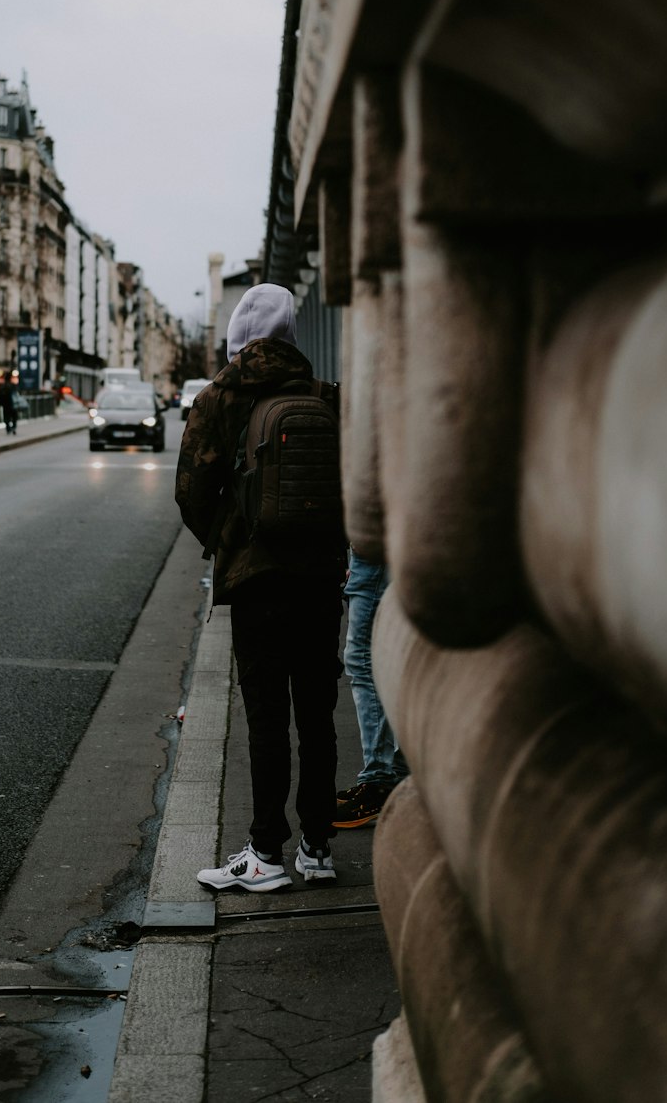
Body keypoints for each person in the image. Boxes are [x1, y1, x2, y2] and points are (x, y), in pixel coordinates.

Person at [176, 283, 345, 893]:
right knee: (318, 714)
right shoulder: (325, 395)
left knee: (267, 716)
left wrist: (231, 536)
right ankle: (319, 848)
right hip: (322, 575)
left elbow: (192, 490)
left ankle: (265, 854)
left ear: (239, 337)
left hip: (257, 579)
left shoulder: (221, 397)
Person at [332, 548, 409, 829]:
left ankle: (378, 782)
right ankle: (396, 773)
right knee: (395, 657)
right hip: (391, 546)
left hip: (376, 548)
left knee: (364, 659)